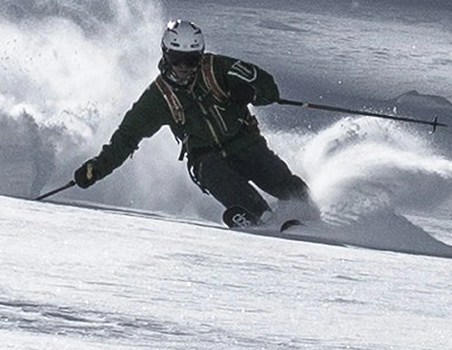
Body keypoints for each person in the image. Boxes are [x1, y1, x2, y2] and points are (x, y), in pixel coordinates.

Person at [71, 19, 314, 228]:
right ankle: (261, 218)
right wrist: (97, 168)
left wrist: (249, 92)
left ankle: (308, 219)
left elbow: (267, 86)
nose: (184, 67)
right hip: (206, 158)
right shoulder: (158, 98)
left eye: (191, 59)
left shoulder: (218, 68)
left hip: (246, 144)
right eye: (177, 59)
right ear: (166, 55)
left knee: (286, 186)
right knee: (219, 177)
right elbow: (126, 138)